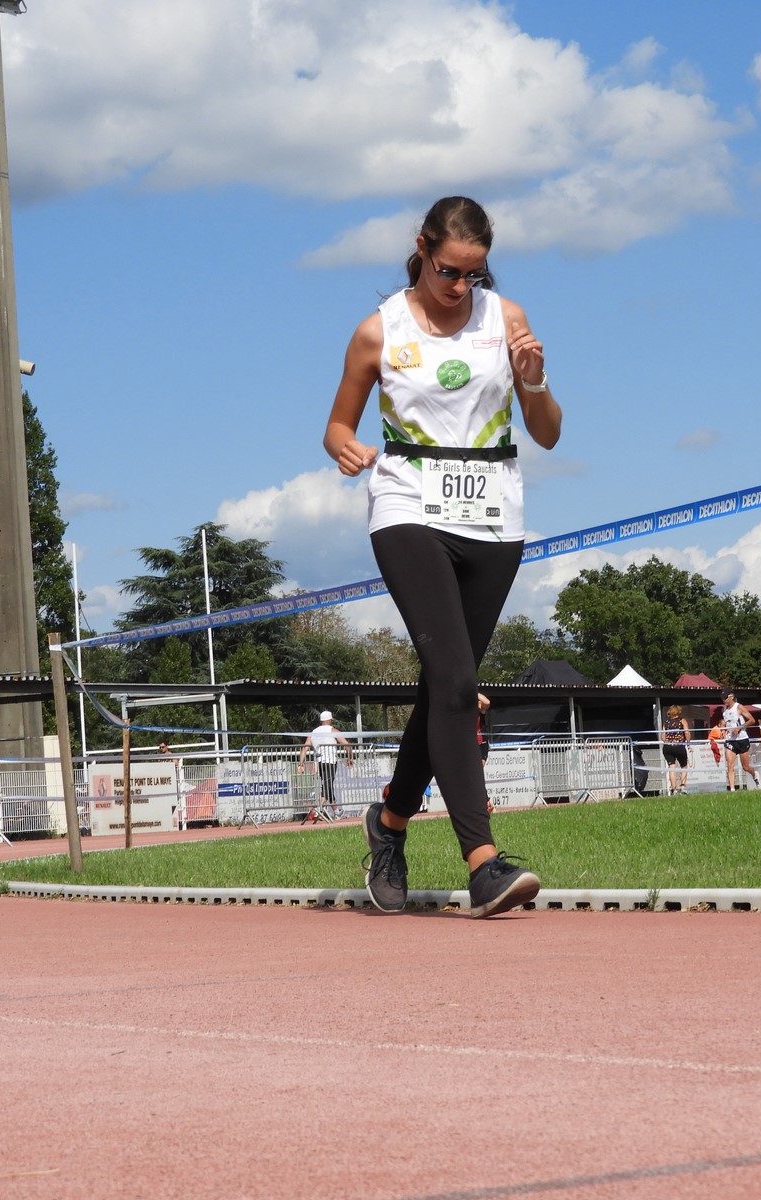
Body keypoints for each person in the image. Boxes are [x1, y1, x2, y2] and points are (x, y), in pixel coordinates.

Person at [324, 195, 561, 918]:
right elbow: (337, 427)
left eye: (474, 274)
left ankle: (389, 822)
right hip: (408, 506)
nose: (460, 286)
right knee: (458, 682)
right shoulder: (379, 330)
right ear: (422, 249)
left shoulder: (506, 320)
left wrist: (533, 379)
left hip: (493, 515)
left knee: (443, 689)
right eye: (449, 271)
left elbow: (547, 432)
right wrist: (346, 448)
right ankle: (484, 864)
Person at [298, 711, 352, 822]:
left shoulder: (313, 732)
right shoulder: (332, 730)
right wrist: (350, 758)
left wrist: (300, 764)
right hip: (330, 762)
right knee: (327, 787)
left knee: (327, 786)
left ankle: (336, 812)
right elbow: (347, 745)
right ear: (330, 720)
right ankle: (319, 808)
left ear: (321, 720)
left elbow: (304, 748)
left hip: (320, 763)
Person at [718, 692, 761, 790]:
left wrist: (739, 728)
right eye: (722, 698)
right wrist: (723, 730)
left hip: (742, 739)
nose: (724, 700)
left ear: (731, 697)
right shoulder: (724, 710)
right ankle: (732, 790)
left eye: (725, 698)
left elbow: (752, 720)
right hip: (730, 740)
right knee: (730, 765)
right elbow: (727, 723)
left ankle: (755, 775)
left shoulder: (739, 707)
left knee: (745, 767)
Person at [661, 705, 691, 795]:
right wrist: (688, 742)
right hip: (679, 746)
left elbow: (663, 737)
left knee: (672, 768)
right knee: (684, 766)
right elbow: (687, 733)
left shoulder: (666, 722)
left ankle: (674, 789)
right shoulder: (682, 721)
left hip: (668, 747)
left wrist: (669, 741)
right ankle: (683, 787)